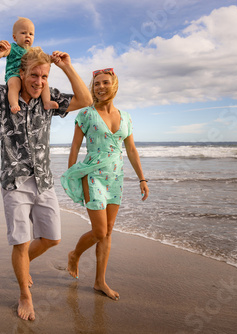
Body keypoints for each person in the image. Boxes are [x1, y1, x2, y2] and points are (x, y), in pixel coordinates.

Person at [0, 41, 92, 320]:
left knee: (52, 238)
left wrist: (66, 67)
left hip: (44, 180)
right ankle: (24, 294)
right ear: (22, 72)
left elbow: (86, 100)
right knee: (21, 242)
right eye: (34, 75)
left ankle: (21, 265)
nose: (39, 81)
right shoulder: (1, 96)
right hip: (15, 181)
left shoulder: (50, 99)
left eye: (44, 76)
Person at [61, 67, 149, 300]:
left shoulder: (126, 117)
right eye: (97, 83)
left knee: (108, 232)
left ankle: (100, 281)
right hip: (92, 175)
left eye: (105, 82)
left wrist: (142, 178)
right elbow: (75, 147)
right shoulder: (86, 114)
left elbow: (130, 149)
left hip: (115, 177)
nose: (100, 87)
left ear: (114, 85)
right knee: (99, 231)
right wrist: (72, 174)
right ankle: (75, 254)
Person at [5, 17, 58, 113]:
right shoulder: (12, 47)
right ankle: (14, 104)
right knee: (14, 85)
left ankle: (46, 102)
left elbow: (42, 61)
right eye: (23, 33)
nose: (27, 36)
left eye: (31, 34)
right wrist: (2, 50)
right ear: (14, 37)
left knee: (44, 83)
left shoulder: (32, 51)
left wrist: (53, 59)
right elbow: (4, 52)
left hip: (28, 75)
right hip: (14, 73)